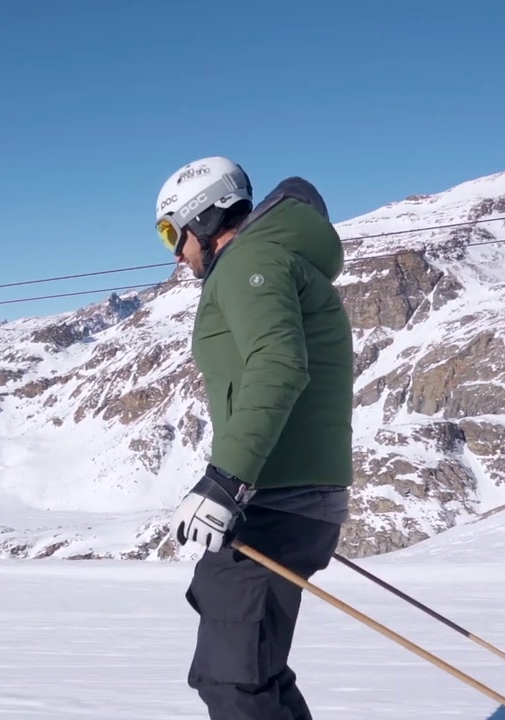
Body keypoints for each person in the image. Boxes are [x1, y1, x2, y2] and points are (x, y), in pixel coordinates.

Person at [153, 155, 355, 719]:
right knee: (255, 673)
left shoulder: (250, 263)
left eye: (172, 231)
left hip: (274, 496)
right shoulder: (272, 261)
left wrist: (227, 479)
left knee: (233, 680)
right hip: (291, 494)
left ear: (205, 218)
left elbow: (279, 364)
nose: (174, 252)